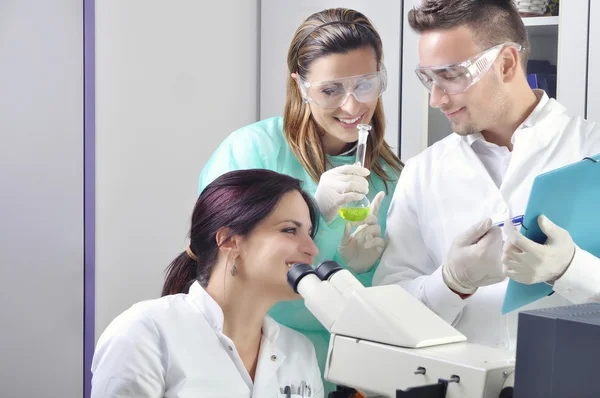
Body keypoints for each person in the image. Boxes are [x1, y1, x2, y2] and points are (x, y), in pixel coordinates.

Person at [374, 0, 600, 354]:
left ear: (507, 63)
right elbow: (389, 313)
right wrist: (450, 282)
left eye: (450, 76)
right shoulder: (422, 172)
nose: (436, 99)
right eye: (429, 78)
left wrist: (571, 269)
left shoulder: (592, 150)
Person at [197, 8, 403, 393]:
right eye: (330, 90)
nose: (352, 105)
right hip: (248, 358)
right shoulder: (251, 151)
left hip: (345, 371)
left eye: (365, 85)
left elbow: (391, 296)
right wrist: (312, 211)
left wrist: (361, 271)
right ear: (301, 86)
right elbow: (218, 263)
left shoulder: (392, 178)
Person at [91, 169, 324, 398]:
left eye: (309, 233)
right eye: (290, 230)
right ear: (229, 241)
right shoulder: (145, 333)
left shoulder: (299, 352)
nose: (312, 250)